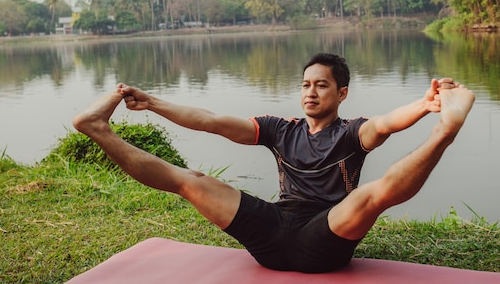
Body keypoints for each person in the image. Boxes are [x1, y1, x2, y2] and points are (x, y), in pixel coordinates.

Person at [72, 52, 475, 273]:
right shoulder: (280, 128)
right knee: (191, 181)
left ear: (342, 93)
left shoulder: (352, 132)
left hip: (326, 239)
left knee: (372, 195)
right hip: (273, 235)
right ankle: (98, 130)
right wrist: (153, 103)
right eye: (305, 85)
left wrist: (426, 106)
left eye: (321, 85)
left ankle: (446, 130)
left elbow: (386, 124)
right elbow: (212, 122)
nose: (311, 92)